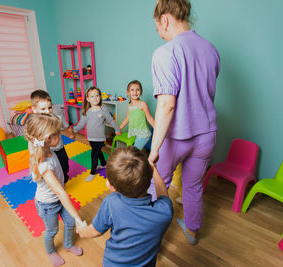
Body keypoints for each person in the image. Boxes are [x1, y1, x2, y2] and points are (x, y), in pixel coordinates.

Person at [148, 0, 220, 245]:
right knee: (193, 186)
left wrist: (154, 150)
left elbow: (167, 105)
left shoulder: (165, 52)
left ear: (165, 19)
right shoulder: (210, 49)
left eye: (158, 28)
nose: (160, 34)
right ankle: (192, 231)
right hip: (207, 134)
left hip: (177, 137)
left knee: (155, 187)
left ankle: (146, 241)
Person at [78, 146, 173, 266]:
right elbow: (164, 197)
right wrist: (153, 169)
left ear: (111, 187)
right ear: (149, 178)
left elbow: (95, 231)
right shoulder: (164, 211)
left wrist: (82, 231)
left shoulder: (112, 203)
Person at [24, 113, 85, 267]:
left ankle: (68, 244)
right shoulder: (43, 164)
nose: (60, 135)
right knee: (52, 231)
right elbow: (60, 192)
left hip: (58, 199)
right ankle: (51, 251)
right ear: (46, 139)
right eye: (57, 134)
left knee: (69, 222)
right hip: (47, 205)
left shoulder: (48, 148)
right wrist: (79, 219)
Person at [71, 87, 121, 182]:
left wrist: (117, 129)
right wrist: (73, 130)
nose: (95, 98)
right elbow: (81, 124)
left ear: (100, 97)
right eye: (92, 96)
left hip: (100, 138)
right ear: (88, 99)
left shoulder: (103, 110)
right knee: (97, 152)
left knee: (93, 154)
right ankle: (103, 163)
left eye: (97, 95)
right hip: (91, 138)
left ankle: (92, 172)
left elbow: (111, 120)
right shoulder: (87, 112)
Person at [30, 89, 73, 183]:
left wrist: (71, 134)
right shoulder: (36, 125)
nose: (47, 111)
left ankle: (64, 180)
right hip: (47, 153)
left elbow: (67, 126)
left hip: (60, 149)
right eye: (43, 109)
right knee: (52, 171)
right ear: (34, 109)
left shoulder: (57, 118)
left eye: (49, 108)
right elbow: (32, 141)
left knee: (65, 167)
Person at [119, 80, 155, 150]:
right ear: (128, 92)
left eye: (137, 90)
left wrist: (158, 130)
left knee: (134, 151)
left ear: (140, 92)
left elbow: (150, 118)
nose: (135, 92)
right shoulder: (130, 105)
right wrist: (120, 128)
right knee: (136, 151)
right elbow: (127, 118)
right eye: (132, 90)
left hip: (144, 134)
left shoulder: (142, 104)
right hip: (137, 134)